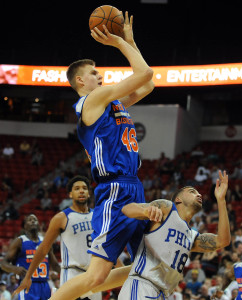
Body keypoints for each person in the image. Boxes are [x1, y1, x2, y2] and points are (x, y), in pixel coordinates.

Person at [44, 10, 154, 300]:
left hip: (133, 185)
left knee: (147, 264)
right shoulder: (92, 101)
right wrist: (120, 43)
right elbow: (145, 73)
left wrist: (131, 41)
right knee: (96, 274)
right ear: (81, 81)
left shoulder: (110, 103)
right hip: (115, 188)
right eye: (94, 73)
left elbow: (148, 85)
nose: (100, 75)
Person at [117, 170, 230, 299]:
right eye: (192, 191)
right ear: (178, 199)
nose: (198, 194)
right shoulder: (168, 208)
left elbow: (223, 241)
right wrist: (145, 211)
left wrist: (221, 201)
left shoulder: (192, 236)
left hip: (164, 294)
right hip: (143, 285)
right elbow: (126, 209)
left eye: (198, 192)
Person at [14, 175, 102, 300]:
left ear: (89, 193)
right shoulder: (61, 218)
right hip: (72, 273)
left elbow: (106, 245)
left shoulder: (98, 216)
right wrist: (28, 276)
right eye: (77, 188)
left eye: (84, 188)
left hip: (93, 274)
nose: (81, 191)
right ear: (70, 194)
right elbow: (43, 248)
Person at [1, 214, 60, 300]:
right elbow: (3, 263)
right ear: (24, 226)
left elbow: (55, 265)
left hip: (45, 285)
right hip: (28, 285)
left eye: (35, 220)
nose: (33, 221)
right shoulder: (19, 241)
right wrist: (14, 269)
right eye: (30, 220)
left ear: (38, 225)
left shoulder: (45, 241)